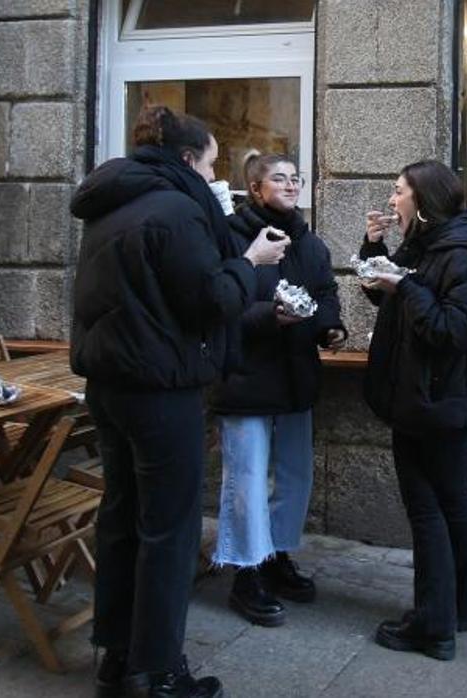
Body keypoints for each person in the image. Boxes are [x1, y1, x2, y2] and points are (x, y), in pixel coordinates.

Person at [70, 105, 289, 698]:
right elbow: (209, 300)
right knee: (169, 529)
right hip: (160, 387)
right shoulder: (175, 208)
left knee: (121, 519)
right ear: (189, 159)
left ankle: (117, 655)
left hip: (111, 385)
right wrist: (250, 261)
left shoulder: (111, 203)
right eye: (214, 162)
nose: (216, 175)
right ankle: (160, 671)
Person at [359, 160, 467, 660]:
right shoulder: (430, 246)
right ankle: (461, 605)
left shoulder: (463, 256)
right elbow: (390, 297)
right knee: (451, 503)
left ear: (423, 201)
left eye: (399, 192)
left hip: (436, 402)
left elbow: (453, 330)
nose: (392, 200)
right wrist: (375, 252)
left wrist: (405, 286)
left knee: (430, 510)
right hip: (429, 399)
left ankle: (432, 625)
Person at [210, 155, 346, 627]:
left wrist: (331, 328)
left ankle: (278, 555)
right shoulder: (229, 237)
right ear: (254, 186)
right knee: (245, 478)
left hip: (295, 375)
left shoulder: (309, 242)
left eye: (296, 178)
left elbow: (326, 292)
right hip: (245, 374)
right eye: (279, 178)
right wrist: (271, 317)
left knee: (296, 476)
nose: (290, 185)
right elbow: (220, 306)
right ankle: (246, 571)